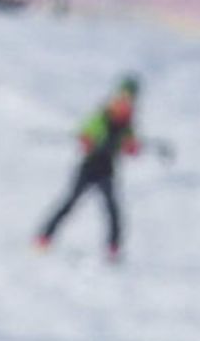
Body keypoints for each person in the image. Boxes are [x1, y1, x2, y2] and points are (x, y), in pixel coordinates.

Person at [32, 76, 145, 261]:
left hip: (107, 169)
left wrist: (131, 147)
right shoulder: (103, 115)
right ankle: (44, 237)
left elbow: (130, 146)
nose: (126, 101)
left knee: (112, 209)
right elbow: (86, 132)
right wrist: (89, 140)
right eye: (124, 96)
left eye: (130, 98)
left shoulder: (128, 123)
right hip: (89, 166)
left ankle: (113, 248)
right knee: (69, 203)